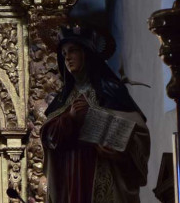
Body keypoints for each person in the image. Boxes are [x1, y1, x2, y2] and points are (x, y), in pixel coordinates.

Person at [41, 28, 149, 202]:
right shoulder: (63, 98)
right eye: (64, 53)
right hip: (72, 175)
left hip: (105, 170)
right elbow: (49, 137)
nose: (67, 57)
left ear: (87, 53)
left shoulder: (110, 90)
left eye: (73, 50)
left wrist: (118, 150)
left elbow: (139, 131)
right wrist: (69, 119)